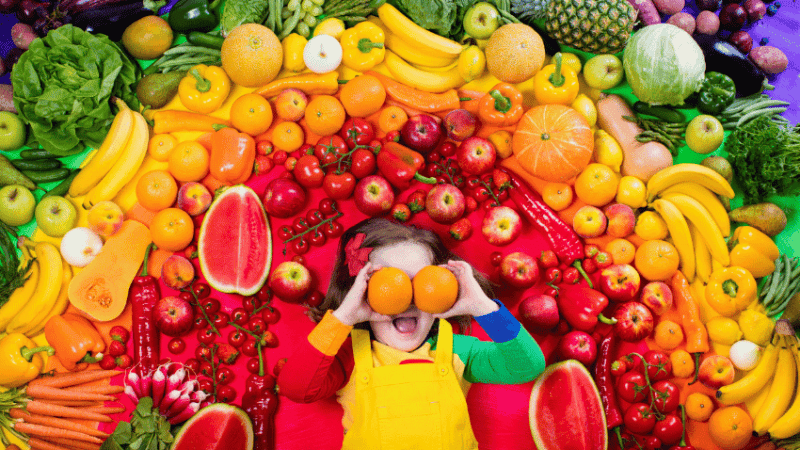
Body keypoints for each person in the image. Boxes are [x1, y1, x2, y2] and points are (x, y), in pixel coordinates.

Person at [277, 218, 546, 450]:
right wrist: (343, 318)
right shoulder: (351, 357)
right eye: (388, 282)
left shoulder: (455, 350)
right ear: (359, 291)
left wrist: (482, 307)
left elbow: (526, 366)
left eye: (422, 281)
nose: (406, 298)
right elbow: (295, 388)